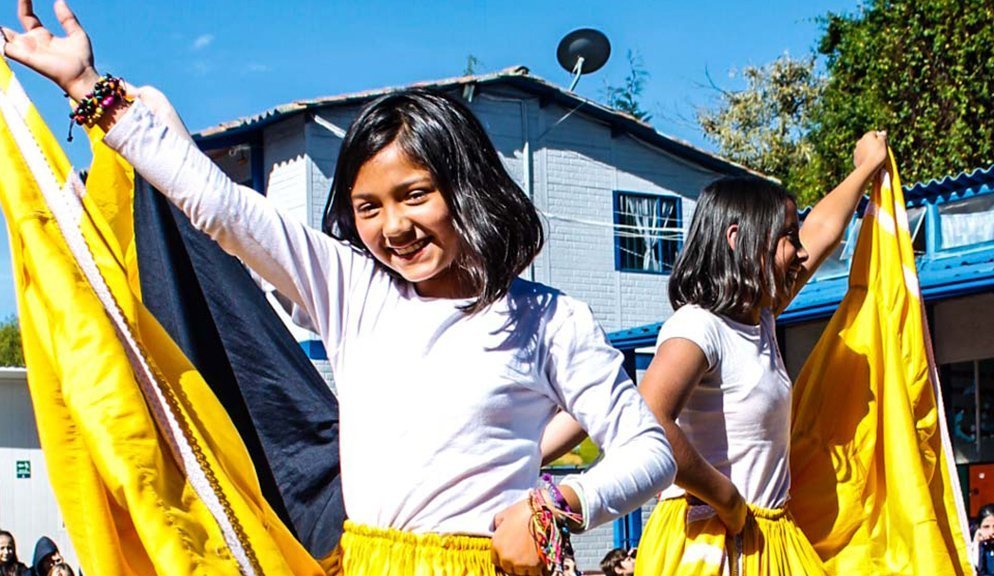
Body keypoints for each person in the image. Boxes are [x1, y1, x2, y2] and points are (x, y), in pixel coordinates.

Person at [0, 2, 676, 575]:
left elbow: (651, 450)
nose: (394, 226)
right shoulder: (350, 286)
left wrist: (558, 505)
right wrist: (87, 86)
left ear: (468, 188)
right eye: (368, 207)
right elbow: (218, 205)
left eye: (415, 195)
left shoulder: (550, 319)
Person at [631, 132, 889, 574]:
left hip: (767, 533)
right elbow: (647, 420)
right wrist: (726, 498)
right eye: (788, 236)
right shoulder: (699, 326)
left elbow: (822, 232)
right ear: (737, 238)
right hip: (709, 543)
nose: (801, 251)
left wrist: (866, 167)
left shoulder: (759, 318)